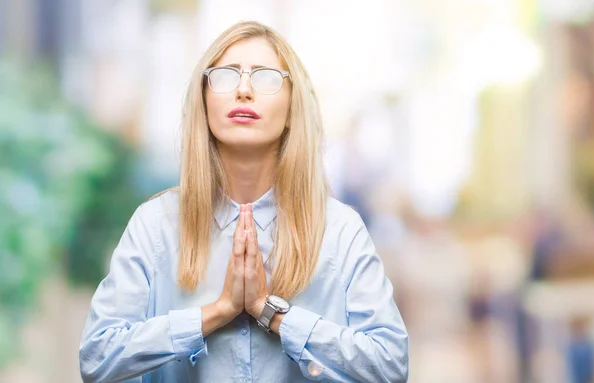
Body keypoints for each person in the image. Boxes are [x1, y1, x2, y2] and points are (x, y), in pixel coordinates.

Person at [79, 20, 409, 383]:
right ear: (204, 101)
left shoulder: (339, 229)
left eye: (266, 77)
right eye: (225, 75)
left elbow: (390, 366)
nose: (244, 90)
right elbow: (97, 358)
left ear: (292, 106)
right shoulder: (155, 225)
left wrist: (272, 314)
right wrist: (216, 312)